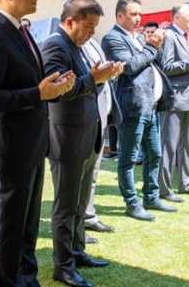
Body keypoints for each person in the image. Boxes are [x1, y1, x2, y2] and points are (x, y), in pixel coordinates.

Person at [0, 0, 75, 287]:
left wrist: (52, 87)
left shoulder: (20, 30)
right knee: (10, 232)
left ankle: (28, 281)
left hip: (30, 146)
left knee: (27, 230)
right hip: (8, 153)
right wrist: (37, 93)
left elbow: (28, 83)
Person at [41, 0, 121, 287]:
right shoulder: (55, 45)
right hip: (67, 139)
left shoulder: (76, 46)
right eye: (88, 27)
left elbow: (86, 84)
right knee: (65, 207)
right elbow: (59, 90)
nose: (91, 33)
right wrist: (94, 78)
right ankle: (63, 266)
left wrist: (102, 76)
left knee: (78, 204)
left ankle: (77, 252)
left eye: (94, 28)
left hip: (86, 136)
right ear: (70, 21)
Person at [102, 0, 175, 221]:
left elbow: (153, 62)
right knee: (129, 158)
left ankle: (151, 196)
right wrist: (151, 46)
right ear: (119, 16)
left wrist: (156, 45)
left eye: (140, 14)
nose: (138, 18)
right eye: (133, 14)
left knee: (155, 153)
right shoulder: (112, 38)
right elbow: (131, 66)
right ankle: (132, 203)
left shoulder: (139, 37)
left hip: (150, 105)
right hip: (132, 106)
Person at [158, 4, 189, 200]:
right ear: (177, 18)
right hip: (176, 98)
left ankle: (186, 183)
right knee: (169, 145)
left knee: (187, 144)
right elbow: (167, 67)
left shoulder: (187, 36)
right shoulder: (170, 36)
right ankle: (164, 189)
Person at [81, 37, 122, 233]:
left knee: (93, 172)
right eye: (89, 24)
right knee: (80, 176)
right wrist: (98, 77)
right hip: (84, 118)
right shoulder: (65, 44)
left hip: (101, 114)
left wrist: (111, 74)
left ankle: (88, 216)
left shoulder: (94, 43)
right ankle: (77, 226)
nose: (93, 28)